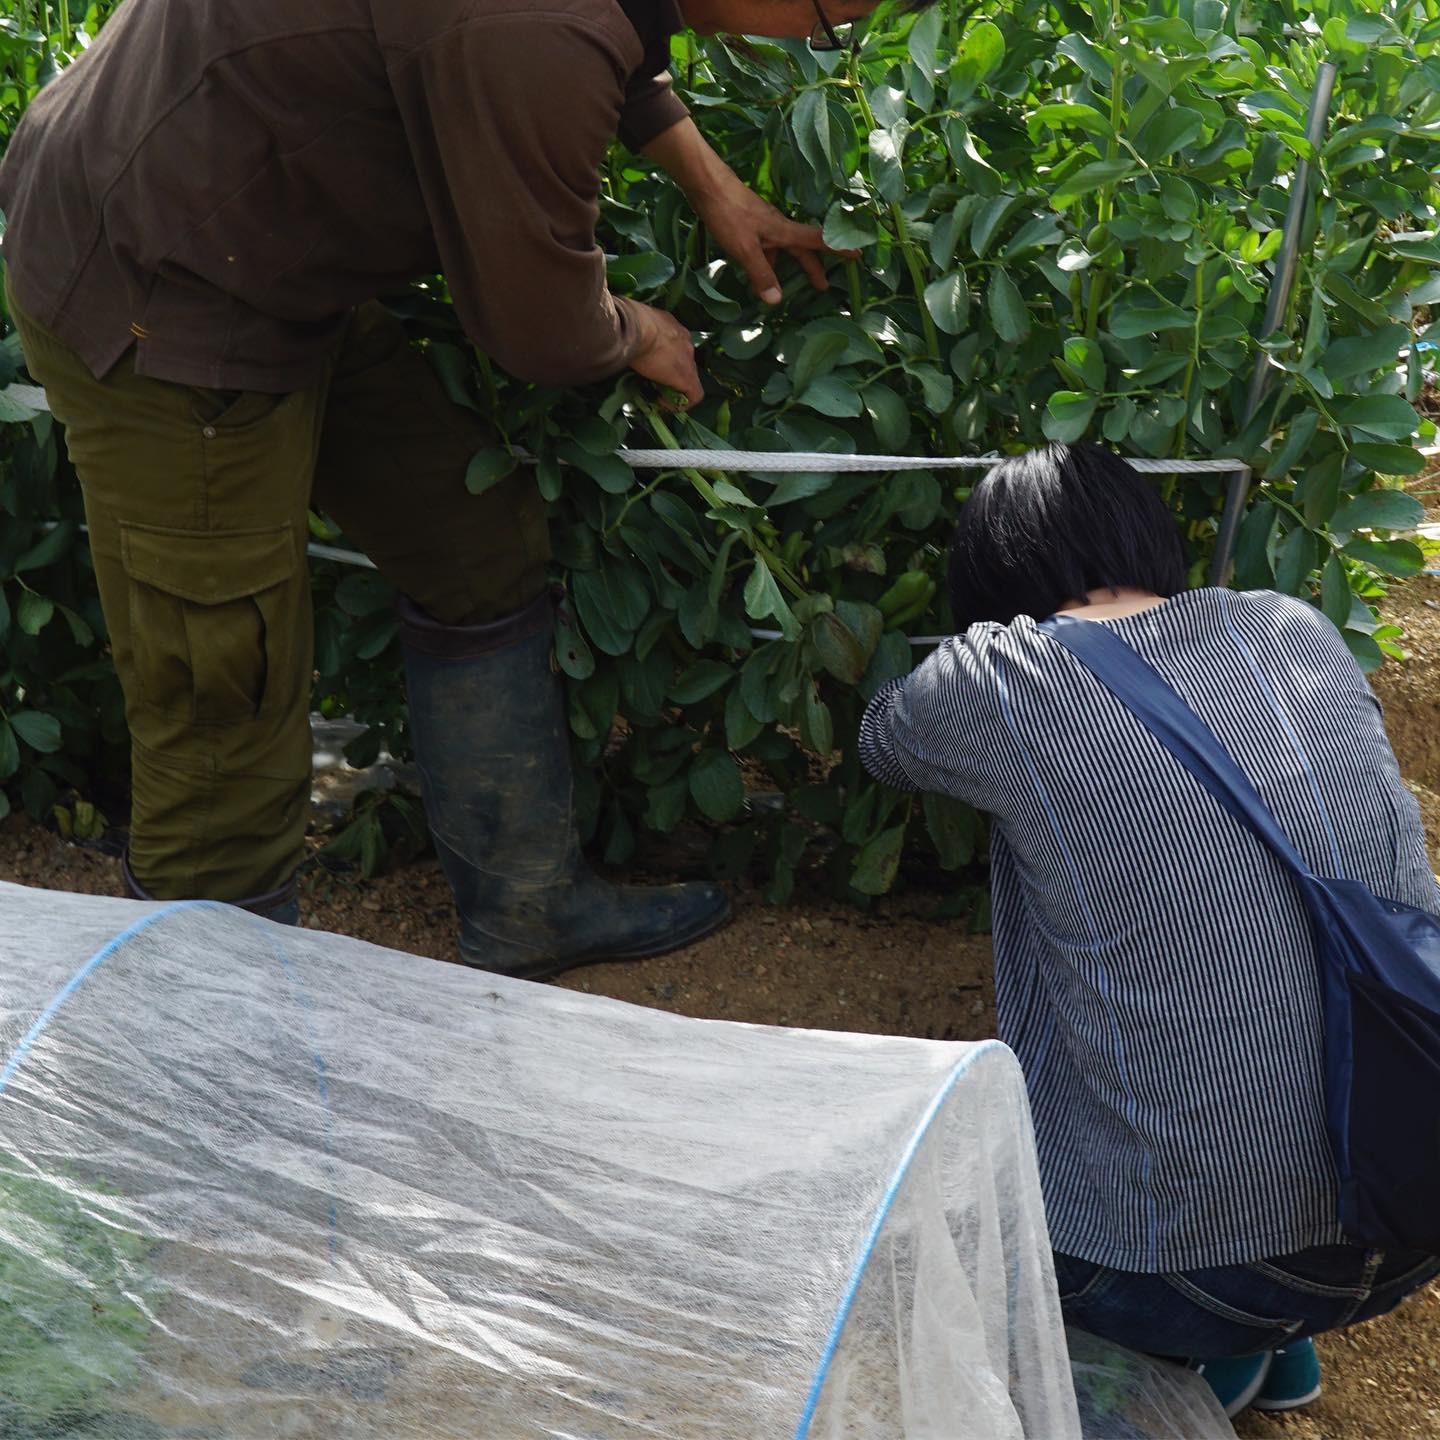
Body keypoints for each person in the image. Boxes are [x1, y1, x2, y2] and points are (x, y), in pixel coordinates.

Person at [0, 0, 897, 978]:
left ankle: (527, 910)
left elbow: (622, 42)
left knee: (472, 541)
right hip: (155, 282)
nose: (819, 38)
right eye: (835, 14)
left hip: (258, 238)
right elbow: (538, 324)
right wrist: (638, 330)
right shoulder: (533, 24)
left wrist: (713, 184)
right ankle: (206, 1065)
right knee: (226, 707)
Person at [858, 442, 1440, 1417]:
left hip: (1197, 1277)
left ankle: (1165, 1371)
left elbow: (885, 738)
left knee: (954, 1248)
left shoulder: (1000, 679)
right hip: (1414, 1209)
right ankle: (1269, 1354)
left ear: (995, 580)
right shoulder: (1295, 629)